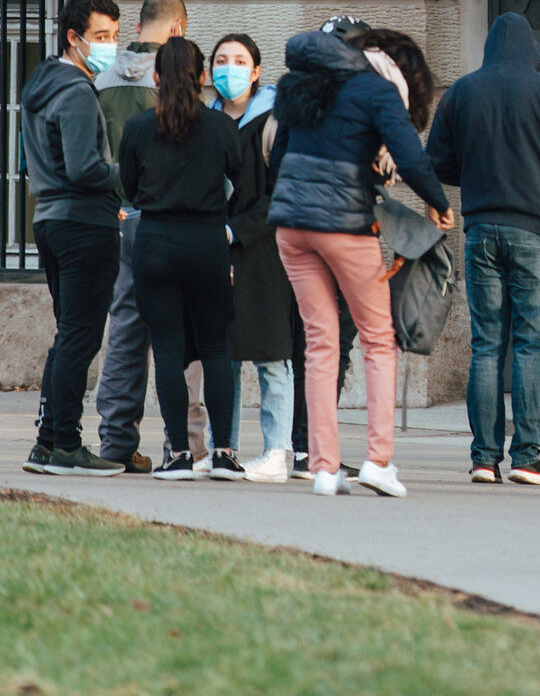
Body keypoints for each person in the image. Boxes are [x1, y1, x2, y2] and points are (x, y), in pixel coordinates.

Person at [268, 27, 453, 498]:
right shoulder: (376, 90)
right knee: (378, 339)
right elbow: (409, 155)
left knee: (319, 342)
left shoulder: (305, 84)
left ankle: (324, 467)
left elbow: (279, 156)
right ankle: (378, 461)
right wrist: (437, 202)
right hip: (344, 225)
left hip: (291, 225)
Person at [428, 11, 540, 486]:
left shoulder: (462, 91)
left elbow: (438, 161)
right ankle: (527, 455)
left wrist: (475, 175)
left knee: (486, 344)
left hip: (480, 228)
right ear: (536, 57)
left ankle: (483, 458)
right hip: (533, 229)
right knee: (529, 344)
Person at [118, 37, 247, 481]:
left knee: (168, 351)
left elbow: (130, 188)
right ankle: (225, 452)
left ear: (156, 78)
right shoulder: (222, 128)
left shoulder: (138, 127)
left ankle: (177, 454)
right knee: (215, 347)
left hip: (155, 242)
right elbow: (243, 183)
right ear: (204, 78)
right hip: (208, 241)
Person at [19, 0, 126, 477]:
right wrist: (130, 174)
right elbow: (85, 169)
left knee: (68, 337)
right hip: (85, 223)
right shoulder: (78, 91)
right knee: (81, 339)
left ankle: (46, 442)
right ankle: (66, 443)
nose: (109, 46)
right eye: (101, 37)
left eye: (115, 36)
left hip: (51, 221)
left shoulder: (40, 85)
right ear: (73, 38)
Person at [95, 0, 190, 475]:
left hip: (119, 216)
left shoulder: (102, 76)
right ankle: (187, 442)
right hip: (170, 217)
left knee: (126, 328)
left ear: (137, 26)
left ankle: (115, 440)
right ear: (176, 30)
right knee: (183, 332)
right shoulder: (178, 80)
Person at [210, 33, 294, 484]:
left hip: (265, 251)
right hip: (215, 252)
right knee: (222, 355)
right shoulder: (204, 122)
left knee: (271, 355)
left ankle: (278, 451)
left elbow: (280, 194)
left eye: (240, 60)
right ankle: (222, 448)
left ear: (257, 72)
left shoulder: (273, 122)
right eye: (221, 60)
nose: (230, 68)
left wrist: (233, 230)